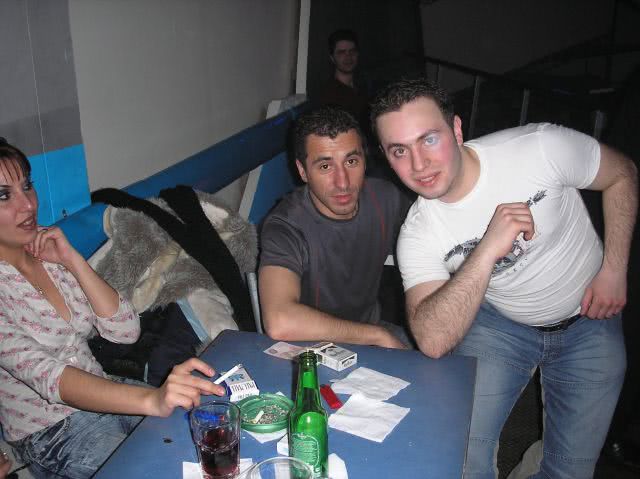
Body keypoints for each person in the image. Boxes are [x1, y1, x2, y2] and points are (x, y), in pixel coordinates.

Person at [370, 78, 638, 478]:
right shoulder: (418, 232)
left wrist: (615, 269)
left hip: (590, 318)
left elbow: (622, 173)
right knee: (461, 453)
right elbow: (433, 340)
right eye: (399, 150)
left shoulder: (539, 148)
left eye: (429, 139)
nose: (419, 164)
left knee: (569, 471)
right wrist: (486, 249)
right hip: (501, 326)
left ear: (456, 129)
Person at [0, 139, 225, 479]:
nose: (28, 205)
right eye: (4, 195)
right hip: (51, 430)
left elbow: (125, 331)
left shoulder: (47, 253)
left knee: (206, 433)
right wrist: (153, 400)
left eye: (27, 186)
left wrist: (72, 260)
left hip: (103, 387)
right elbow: (51, 378)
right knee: (162, 470)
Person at [258, 106, 411, 349]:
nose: (343, 182)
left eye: (351, 161)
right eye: (325, 166)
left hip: (372, 334)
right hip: (310, 346)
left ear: (365, 160)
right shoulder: (285, 226)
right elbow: (280, 321)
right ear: (302, 171)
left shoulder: (386, 198)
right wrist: (376, 336)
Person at [318, 29, 369, 126]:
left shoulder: (362, 85)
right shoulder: (329, 94)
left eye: (352, 51)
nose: (348, 57)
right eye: (341, 52)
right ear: (332, 58)